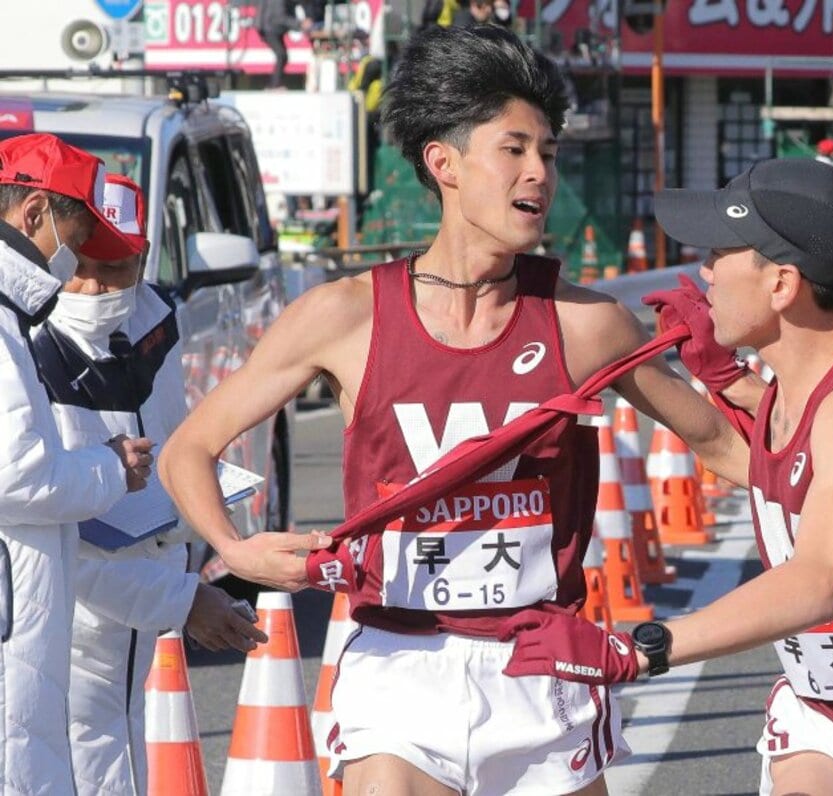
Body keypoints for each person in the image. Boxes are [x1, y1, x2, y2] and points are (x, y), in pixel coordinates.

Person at [159, 25, 752, 796]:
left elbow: (727, 451)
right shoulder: (345, 316)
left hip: (544, 665)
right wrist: (234, 551)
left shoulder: (587, 322)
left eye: (548, 152)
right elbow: (186, 451)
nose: (539, 172)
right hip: (400, 663)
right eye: (514, 149)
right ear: (444, 163)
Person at [501, 159, 833, 796]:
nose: (703, 272)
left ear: (782, 283)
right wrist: (695, 371)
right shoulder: (792, 397)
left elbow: (817, 584)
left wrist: (642, 647)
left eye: (720, 253)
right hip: (823, 729)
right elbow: (730, 452)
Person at [27, 173, 268, 796]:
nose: (101, 288)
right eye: (86, 265)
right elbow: (50, 538)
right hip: (68, 617)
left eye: (121, 268)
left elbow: (173, 441)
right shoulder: (21, 346)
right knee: (78, 753)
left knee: (115, 744)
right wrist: (181, 599)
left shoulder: (154, 317)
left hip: (134, 598)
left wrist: (192, 534)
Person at [0, 133, 153, 794]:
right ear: (33, 213)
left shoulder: (14, 317)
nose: (75, 265)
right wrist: (111, 467)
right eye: (76, 236)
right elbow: (17, 475)